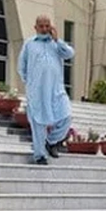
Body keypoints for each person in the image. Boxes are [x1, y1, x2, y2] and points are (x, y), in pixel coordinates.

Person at [17, 15, 74, 165]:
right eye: (41, 26)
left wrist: (57, 39)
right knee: (38, 123)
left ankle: (51, 141)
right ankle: (40, 155)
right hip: (37, 91)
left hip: (56, 89)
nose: (44, 29)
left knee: (66, 116)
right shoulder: (29, 44)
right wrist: (30, 83)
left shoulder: (56, 44)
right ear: (35, 27)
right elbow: (21, 66)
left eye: (47, 26)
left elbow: (69, 54)